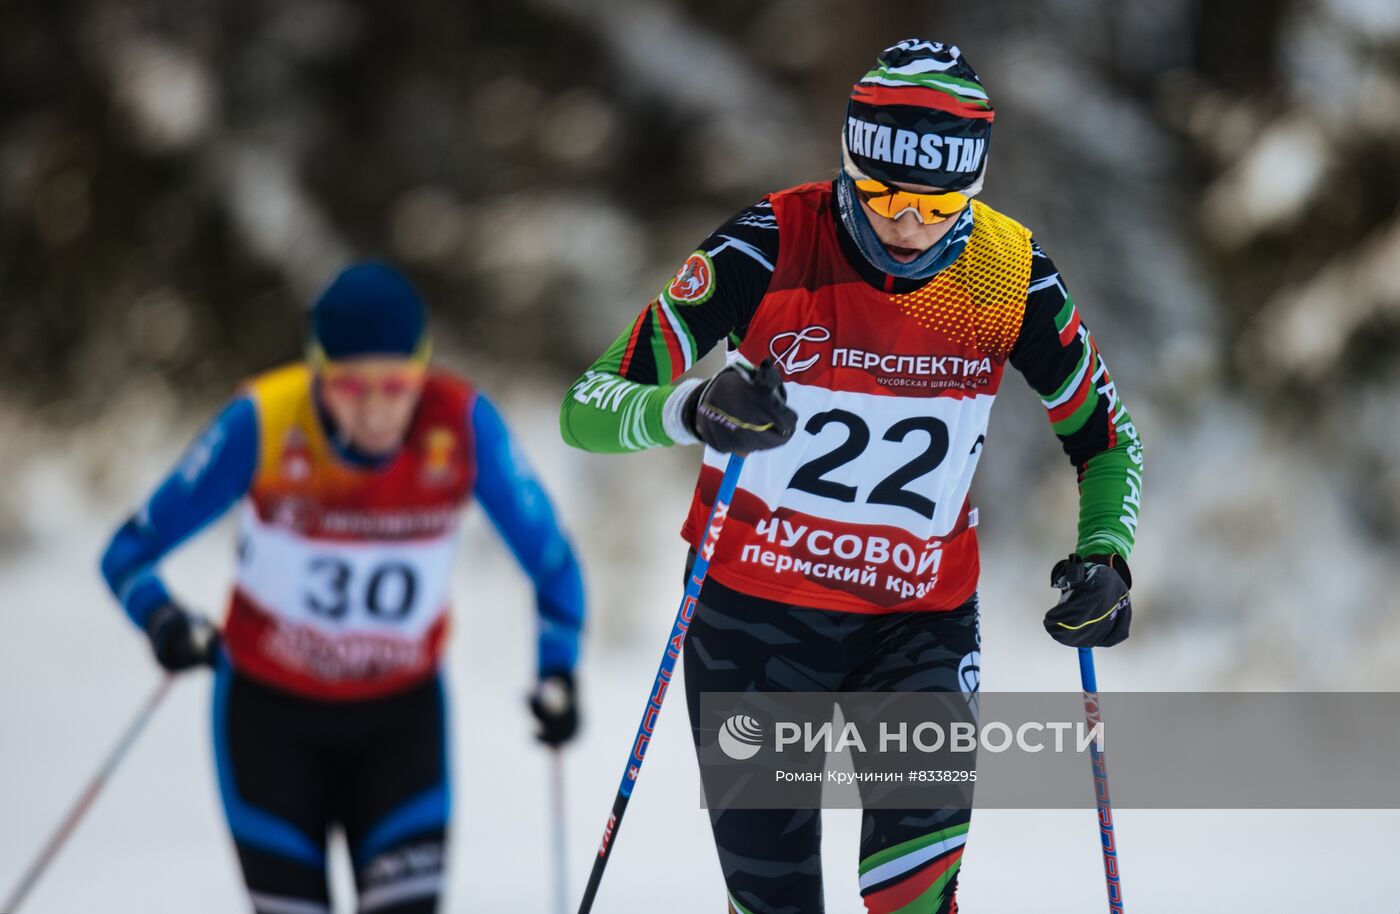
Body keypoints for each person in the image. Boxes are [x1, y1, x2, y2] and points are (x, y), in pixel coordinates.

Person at [561, 39, 1142, 914]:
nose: (906, 225)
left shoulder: (1009, 275)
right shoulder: (774, 241)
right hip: (752, 621)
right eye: (881, 195)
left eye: (936, 205)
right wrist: (691, 408)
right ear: (848, 165)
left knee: (913, 891)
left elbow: (1106, 440)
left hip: (915, 625)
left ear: (972, 189)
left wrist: (1106, 555)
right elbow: (589, 404)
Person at [100, 261, 586, 914]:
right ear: (317, 370)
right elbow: (127, 553)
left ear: (422, 369)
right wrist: (161, 620)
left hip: (398, 725)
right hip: (270, 722)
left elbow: (551, 561)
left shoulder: (460, 423)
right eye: (351, 386)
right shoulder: (265, 422)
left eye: (396, 384)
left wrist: (558, 669)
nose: (377, 407)